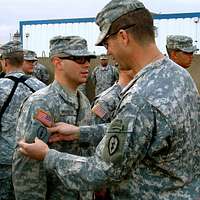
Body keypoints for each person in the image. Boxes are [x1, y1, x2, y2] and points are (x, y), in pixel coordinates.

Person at [17, 0, 200, 199]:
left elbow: (100, 171)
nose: (107, 52)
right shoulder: (179, 77)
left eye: (106, 43)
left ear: (123, 36)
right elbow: (142, 131)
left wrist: (47, 155)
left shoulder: (139, 98)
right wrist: (81, 133)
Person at [12, 35, 96, 200]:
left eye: (88, 58)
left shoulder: (83, 101)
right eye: (79, 59)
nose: (86, 64)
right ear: (58, 62)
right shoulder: (42, 103)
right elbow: (28, 164)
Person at [0, 41, 46, 200]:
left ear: (5, 62)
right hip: (34, 157)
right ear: (22, 60)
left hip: (5, 160)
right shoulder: (41, 87)